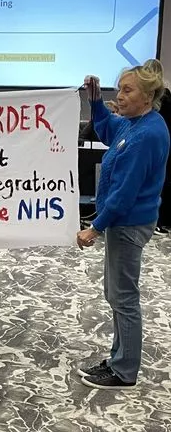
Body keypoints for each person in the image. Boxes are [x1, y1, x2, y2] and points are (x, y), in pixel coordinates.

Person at [76, 60, 170, 389]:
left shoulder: (147, 134)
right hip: (125, 223)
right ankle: (119, 357)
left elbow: (124, 194)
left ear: (148, 96)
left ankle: (123, 371)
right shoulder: (134, 123)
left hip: (129, 224)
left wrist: (95, 227)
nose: (122, 96)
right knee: (115, 294)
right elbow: (107, 128)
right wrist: (96, 101)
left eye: (128, 90)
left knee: (124, 298)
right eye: (120, 89)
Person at [142, 59, 171, 235]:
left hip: (154, 144)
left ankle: (157, 220)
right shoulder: (167, 95)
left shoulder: (157, 99)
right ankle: (160, 221)